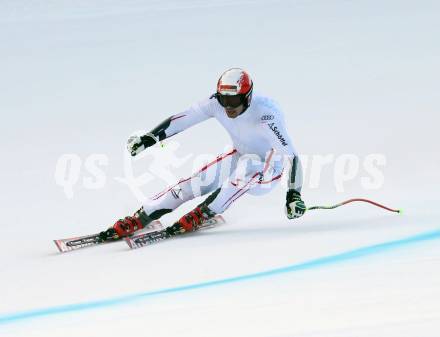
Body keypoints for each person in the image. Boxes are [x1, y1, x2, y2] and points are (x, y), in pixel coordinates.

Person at [99, 68, 306, 241]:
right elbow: (183, 119)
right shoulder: (217, 104)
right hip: (241, 155)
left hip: (269, 171)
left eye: (234, 101)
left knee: (246, 168)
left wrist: (293, 194)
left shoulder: (267, 114)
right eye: (224, 99)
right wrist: (149, 138)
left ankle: (206, 210)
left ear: (248, 97)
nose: (228, 107)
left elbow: (292, 156)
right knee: (194, 182)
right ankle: (144, 215)